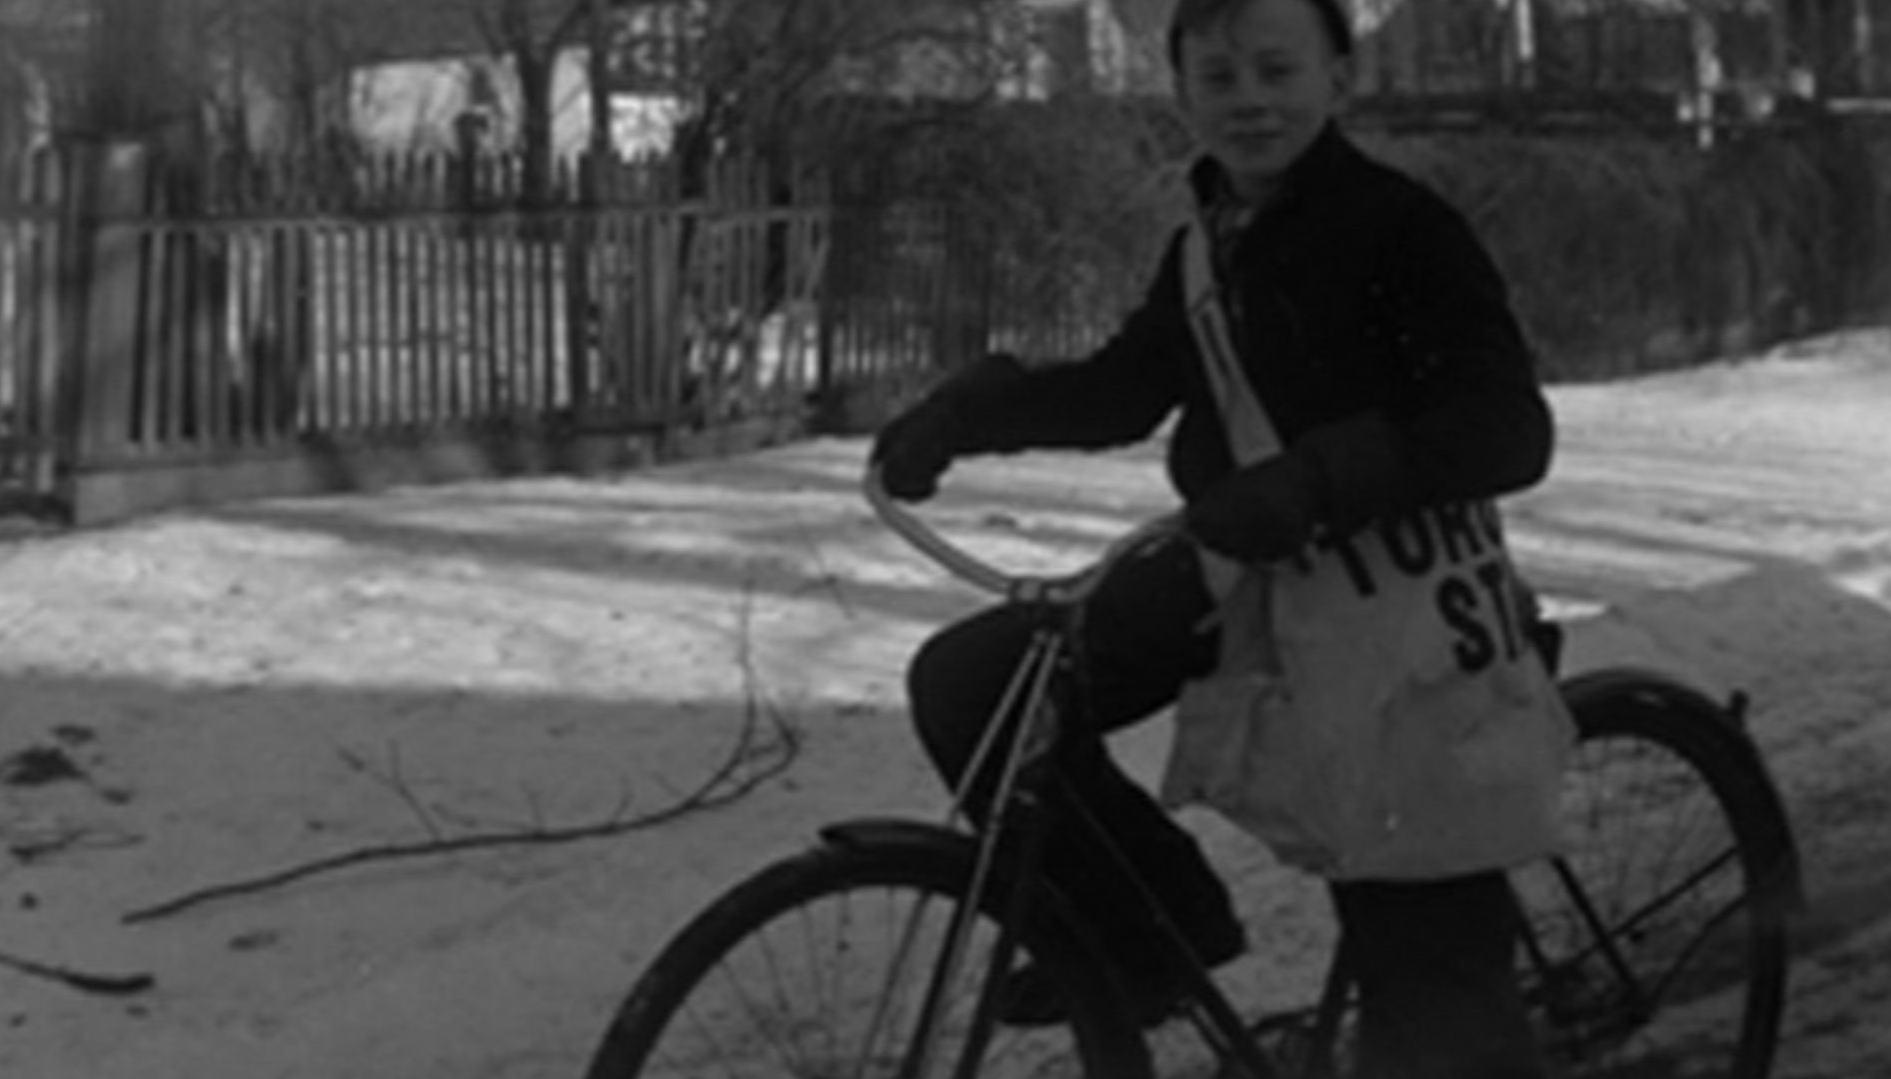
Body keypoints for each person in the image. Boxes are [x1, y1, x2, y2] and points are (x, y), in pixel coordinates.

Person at [870, 0, 1554, 1075]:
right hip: (1247, 573)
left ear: (1337, 76)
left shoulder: (1399, 227)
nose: (1251, 100)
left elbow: (1505, 428)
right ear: (1181, 89)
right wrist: (974, 413)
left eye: (1278, 69)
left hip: (1397, 608)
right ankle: (1155, 931)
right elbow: (1129, 386)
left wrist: (1319, 477)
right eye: (1220, 75)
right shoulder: (1206, 242)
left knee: (1428, 1003)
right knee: (978, 683)